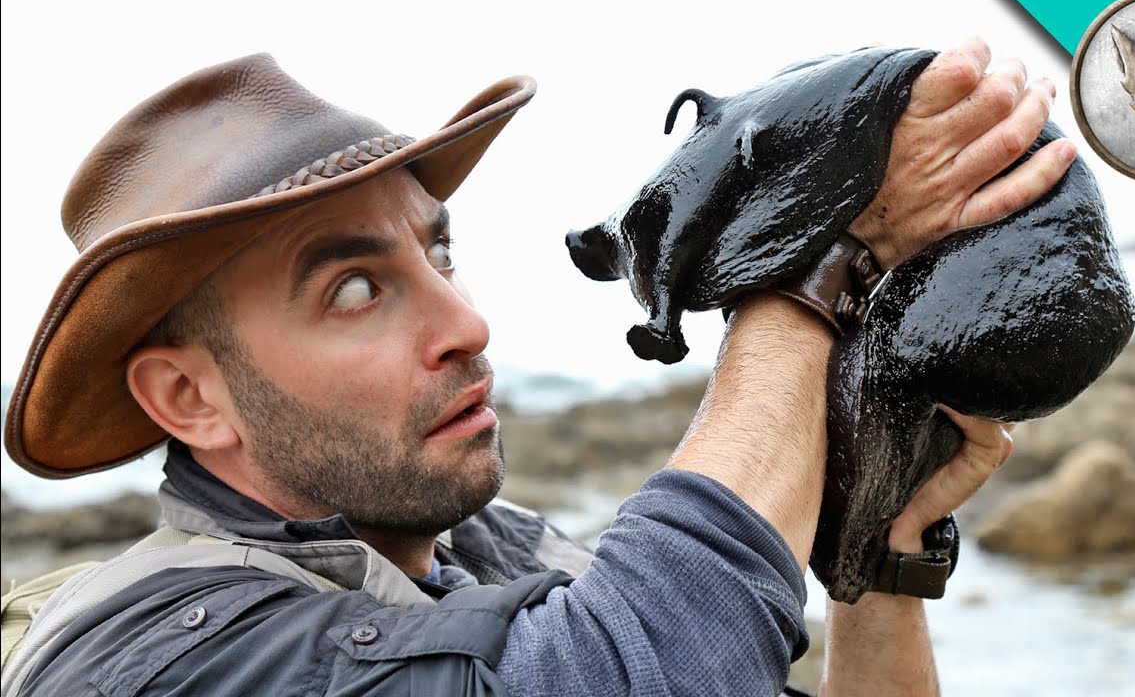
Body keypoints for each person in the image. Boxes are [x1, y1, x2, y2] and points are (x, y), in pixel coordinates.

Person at [1, 37, 1071, 696]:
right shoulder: (158, 662)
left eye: (438, 251)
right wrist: (818, 255)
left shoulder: (504, 556)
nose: (465, 321)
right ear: (189, 398)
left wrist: (875, 559)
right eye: (354, 289)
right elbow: (630, 674)